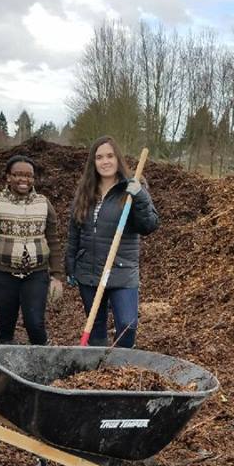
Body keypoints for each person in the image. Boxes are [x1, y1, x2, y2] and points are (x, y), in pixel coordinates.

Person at [65, 136, 159, 348]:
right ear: (93, 162)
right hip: (89, 271)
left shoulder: (133, 187)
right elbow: (74, 233)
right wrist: (70, 266)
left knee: (127, 324)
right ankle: (99, 369)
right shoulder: (85, 191)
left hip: (122, 269)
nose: (105, 161)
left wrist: (141, 197)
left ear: (118, 159)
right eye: (99, 157)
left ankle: (121, 366)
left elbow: (150, 226)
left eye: (110, 156)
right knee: (95, 326)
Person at [0, 154, 64, 345]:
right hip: (4, 274)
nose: (24, 179)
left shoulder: (43, 203)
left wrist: (56, 276)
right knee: (5, 326)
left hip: (36, 274)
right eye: (18, 174)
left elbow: (53, 240)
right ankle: (4, 368)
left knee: (35, 323)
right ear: (8, 177)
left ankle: (42, 362)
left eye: (29, 176)